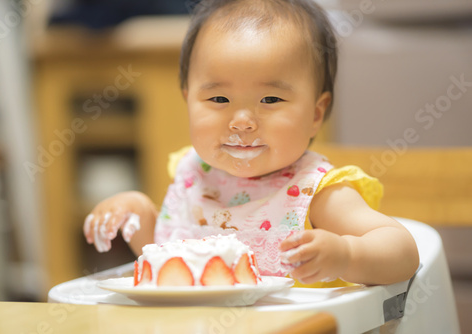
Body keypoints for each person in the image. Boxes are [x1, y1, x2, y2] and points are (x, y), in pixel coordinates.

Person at [83, 0, 419, 287]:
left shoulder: (315, 192)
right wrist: (137, 217)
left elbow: (403, 251)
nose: (241, 121)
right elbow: (171, 257)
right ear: (188, 101)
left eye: (270, 99)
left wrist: (347, 255)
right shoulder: (193, 175)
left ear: (316, 114)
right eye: (218, 98)